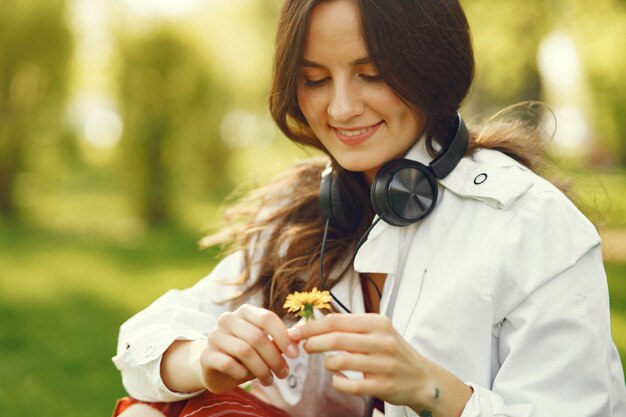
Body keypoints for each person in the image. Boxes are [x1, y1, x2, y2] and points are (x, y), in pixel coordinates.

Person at [112, 0, 626, 416]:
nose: (339, 109)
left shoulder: (531, 225)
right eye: (315, 80)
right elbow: (139, 344)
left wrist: (434, 389)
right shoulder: (312, 209)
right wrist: (204, 361)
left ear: (430, 69)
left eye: (372, 74)